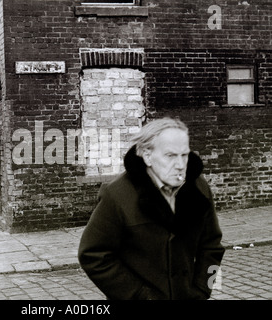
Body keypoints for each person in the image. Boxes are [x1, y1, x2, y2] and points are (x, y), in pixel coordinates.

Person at [78, 117, 225, 300]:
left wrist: (204, 289)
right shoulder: (118, 195)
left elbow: (213, 247)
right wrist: (140, 296)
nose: (180, 165)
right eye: (170, 156)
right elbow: (93, 255)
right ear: (147, 156)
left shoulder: (199, 189)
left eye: (184, 155)